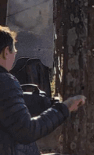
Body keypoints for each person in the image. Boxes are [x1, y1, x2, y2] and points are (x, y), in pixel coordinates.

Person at [0, 25, 86, 155]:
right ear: (6, 52)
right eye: (14, 49)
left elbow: (7, 105)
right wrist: (64, 108)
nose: (16, 52)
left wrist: (40, 101)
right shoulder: (5, 81)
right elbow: (27, 131)